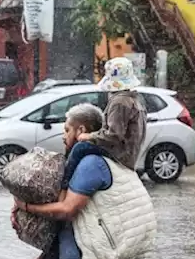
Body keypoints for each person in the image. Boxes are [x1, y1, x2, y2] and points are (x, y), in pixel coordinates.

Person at [19, 103, 156, 259]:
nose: (63, 135)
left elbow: (68, 209)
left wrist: (28, 206)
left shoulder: (91, 163)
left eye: (67, 129)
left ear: (81, 129)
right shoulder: (80, 160)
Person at [61, 56, 147, 189]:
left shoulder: (120, 102)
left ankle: (64, 185)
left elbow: (113, 135)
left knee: (80, 147)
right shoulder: (135, 99)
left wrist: (89, 136)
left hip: (120, 153)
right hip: (129, 153)